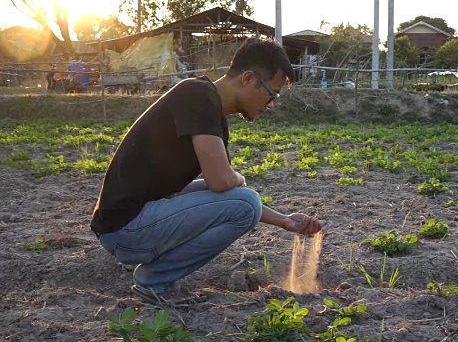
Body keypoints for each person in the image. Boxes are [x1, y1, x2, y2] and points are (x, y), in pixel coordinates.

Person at [91, 38, 322, 306]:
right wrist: (237, 179)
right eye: (272, 94)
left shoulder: (209, 110)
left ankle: (157, 278)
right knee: (244, 201)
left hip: (132, 221)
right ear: (248, 78)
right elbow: (222, 181)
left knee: (243, 199)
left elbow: (223, 189)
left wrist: (283, 220)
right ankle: (155, 281)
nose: (271, 105)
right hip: (125, 230)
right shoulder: (196, 95)